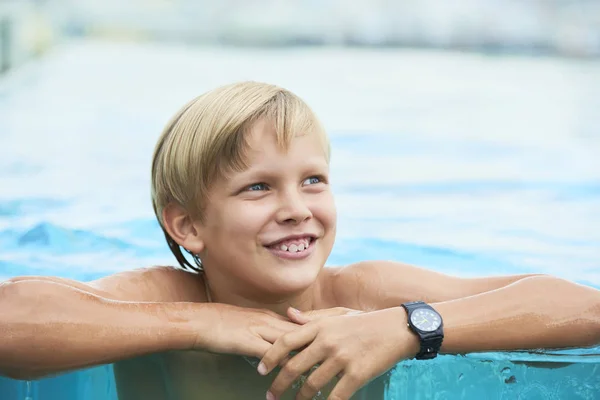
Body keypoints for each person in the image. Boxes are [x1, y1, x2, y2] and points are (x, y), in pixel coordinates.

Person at [0, 81, 599, 400]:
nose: (297, 210)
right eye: (258, 188)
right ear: (187, 226)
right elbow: (11, 321)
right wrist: (199, 324)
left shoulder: (367, 297)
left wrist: (407, 327)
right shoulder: (166, 296)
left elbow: (583, 308)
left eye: (313, 180)